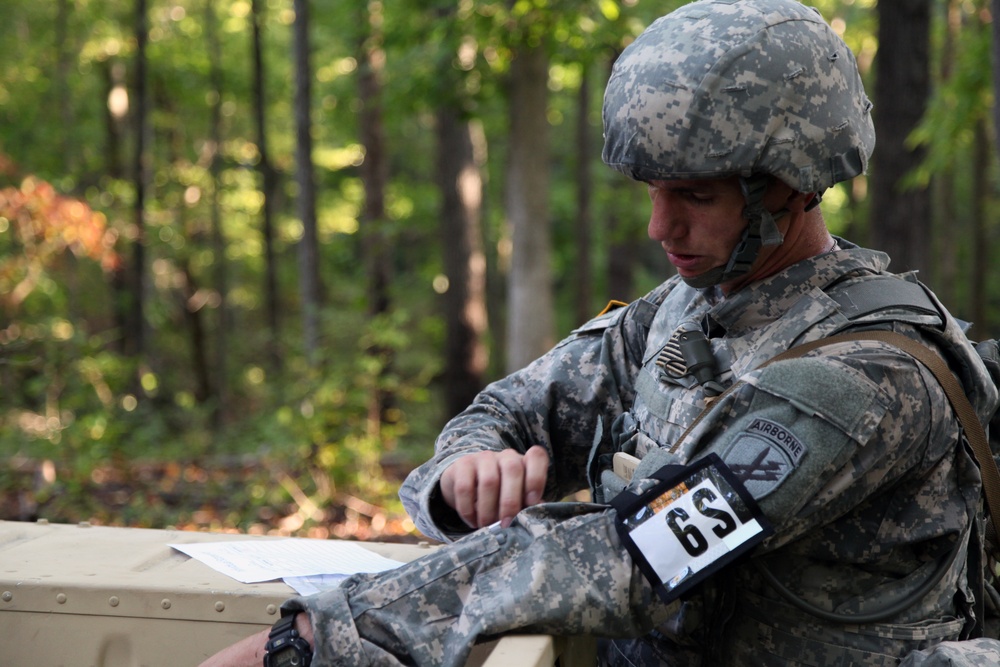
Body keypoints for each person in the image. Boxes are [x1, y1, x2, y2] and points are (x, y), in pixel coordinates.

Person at [202, 0, 1000, 665]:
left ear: (787, 188)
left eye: (693, 194)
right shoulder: (680, 312)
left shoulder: (864, 380)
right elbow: (512, 408)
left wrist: (313, 641)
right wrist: (464, 471)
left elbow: (634, 556)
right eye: (652, 191)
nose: (661, 225)